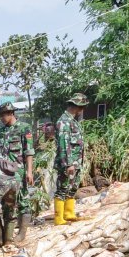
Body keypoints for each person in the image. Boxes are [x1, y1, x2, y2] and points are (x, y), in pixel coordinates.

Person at [0, 101, 36, 237]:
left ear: (11, 113)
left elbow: (29, 152)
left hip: (19, 171)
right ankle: (8, 236)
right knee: (6, 203)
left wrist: (29, 172)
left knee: (23, 200)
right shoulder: (0, 132)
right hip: (3, 173)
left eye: (2, 115)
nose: (1, 118)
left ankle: (22, 232)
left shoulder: (24, 128)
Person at [53, 93, 89, 226]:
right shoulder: (64, 122)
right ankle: (58, 218)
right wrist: (68, 164)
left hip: (75, 162)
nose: (83, 110)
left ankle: (68, 213)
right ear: (77, 106)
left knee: (72, 187)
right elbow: (63, 144)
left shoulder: (73, 121)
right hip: (67, 163)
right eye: (82, 107)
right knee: (62, 188)